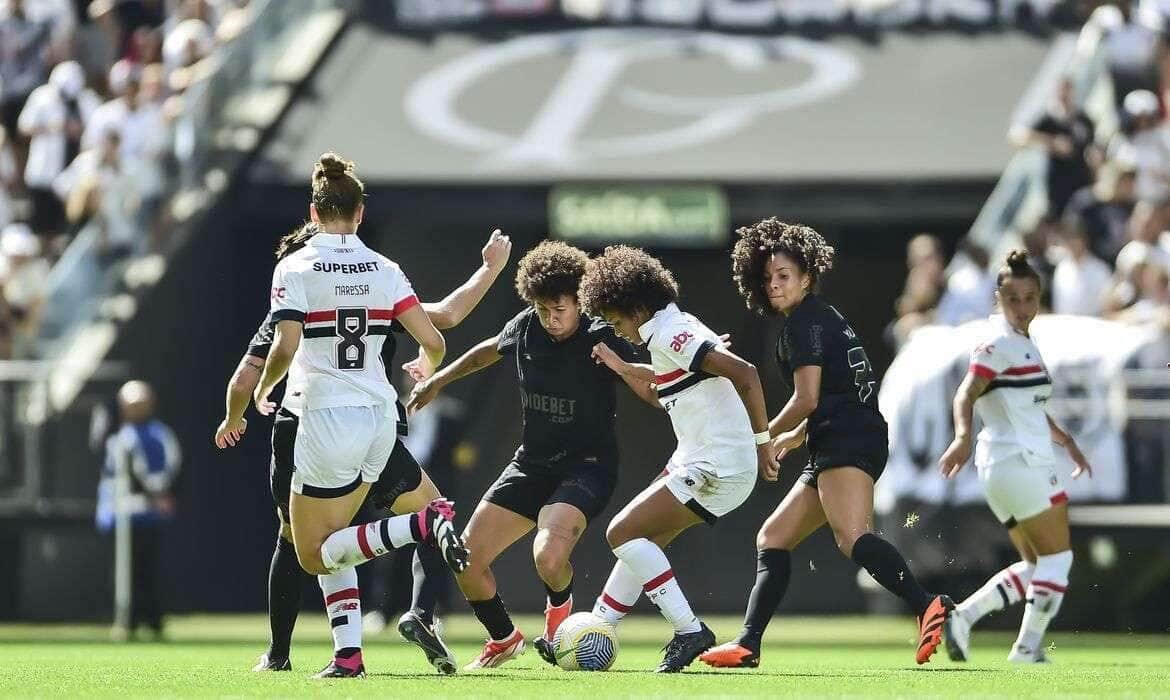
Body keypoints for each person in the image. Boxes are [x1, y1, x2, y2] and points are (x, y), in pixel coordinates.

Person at [215, 224, 511, 674]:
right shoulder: (372, 291)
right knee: (419, 512)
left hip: (308, 427)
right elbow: (445, 318)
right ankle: (414, 615)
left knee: (303, 544)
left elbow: (245, 376)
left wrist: (234, 416)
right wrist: (489, 270)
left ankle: (283, 653)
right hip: (375, 424)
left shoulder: (289, 309)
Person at [249, 152, 469, 679]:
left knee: (314, 554)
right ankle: (348, 655)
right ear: (360, 213)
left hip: (323, 416)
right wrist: (427, 364)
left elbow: (284, 345)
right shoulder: (385, 269)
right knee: (338, 537)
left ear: (313, 211)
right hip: (379, 418)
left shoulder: (296, 264)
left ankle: (422, 522)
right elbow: (434, 339)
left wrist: (263, 387)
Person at [700, 218, 952, 669]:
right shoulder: (820, 316)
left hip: (848, 438)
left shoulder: (804, 325)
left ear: (807, 278)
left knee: (852, 537)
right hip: (842, 435)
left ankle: (926, 603)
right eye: (768, 278)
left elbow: (808, 397)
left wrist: (762, 437)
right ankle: (748, 645)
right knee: (773, 538)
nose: (774, 286)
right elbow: (831, 395)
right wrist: (793, 437)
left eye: (784, 277)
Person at [406, 241, 658, 670]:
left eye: (561, 309)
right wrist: (439, 380)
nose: (552, 319)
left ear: (581, 301)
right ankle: (503, 638)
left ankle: (558, 624)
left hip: (587, 466)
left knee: (548, 555)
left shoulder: (601, 334)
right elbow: (487, 350)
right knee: (466, 560)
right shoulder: (526, 326)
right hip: (532, 463)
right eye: (544, 310)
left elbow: (651, 391)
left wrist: (625, 367)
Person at [578, 245, 773, 673]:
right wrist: (620, 365)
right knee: (643, 543)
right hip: (706, 459)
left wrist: (764, 443)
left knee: (621, 533)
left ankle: (689, 630)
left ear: (636, 306)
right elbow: (658, 390)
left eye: (616, 321)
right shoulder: (663, 331)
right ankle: (599, 626)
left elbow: (746, 373)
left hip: (716, 463)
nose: (617, 331)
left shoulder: (670, 332)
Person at [939, 250, 1093, 663]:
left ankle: (963, 617)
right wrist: (962, 436)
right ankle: (1026, 649)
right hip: (1020, 462)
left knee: (1037, 564)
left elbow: (1030, 407)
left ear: (1039, 299)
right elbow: (965, 393)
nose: (1022, 308)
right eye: (1013, 299)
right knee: (1059, 560)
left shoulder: (1023, 344)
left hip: (1005, 465)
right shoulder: (998, 344)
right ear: (999, 300)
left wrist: (1067, 441)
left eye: (1029, 299)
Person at [95, 380, 181, 639]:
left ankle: (153, 621)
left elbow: (170, 467)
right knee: (122, 572)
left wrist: (155, 492)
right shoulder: (116, 435)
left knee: (148, 570)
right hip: (118, 515)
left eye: (141, 403)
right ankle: (126, 620)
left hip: (147, 515)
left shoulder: (160, 434)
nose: (136, 409)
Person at [1008, 77, 1097, 218]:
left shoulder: (1083, 119)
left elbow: (1091, 146)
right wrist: (1052, 142)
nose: (1064, 95)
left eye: (1067, 91)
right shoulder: (1047, 119)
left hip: (1081, 179)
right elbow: (1017, 135)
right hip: (1057, 181)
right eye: (1061, 91)